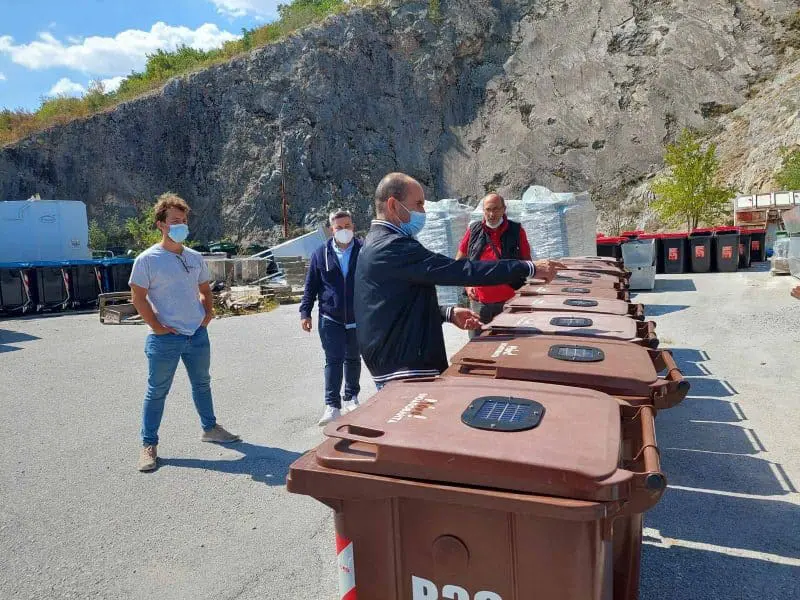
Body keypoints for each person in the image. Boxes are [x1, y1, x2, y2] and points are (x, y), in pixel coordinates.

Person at [354, 173, 565, 388]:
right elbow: (458, 269)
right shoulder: (391, 247)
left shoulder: (378, 243)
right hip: (404, 369)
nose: (423, 212)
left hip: (402, 361)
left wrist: (446, 313)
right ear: (393, 205)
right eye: (418, 204)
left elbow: (395, 303)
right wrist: (527, 267)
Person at [129, 193, 240, 472]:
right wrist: (156, 327)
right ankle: (148, 445)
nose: (181, 225)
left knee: (202, 384)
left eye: (184, 220)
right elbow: (138, 298)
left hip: (196, 336)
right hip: (165, 339)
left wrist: (207, 313)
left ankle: (210, 428)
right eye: (175, 221)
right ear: (161, 225)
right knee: (157, 392)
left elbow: (205, 290)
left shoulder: (193, 257)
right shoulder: (147, 260)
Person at [299, 209, 363, 425]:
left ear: (353, 226)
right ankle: (332, 406)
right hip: (330, 318)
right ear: (331, 230)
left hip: (358, 317)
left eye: (347, 226)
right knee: (333, 361)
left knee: (353, 359)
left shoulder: (364, 251)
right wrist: (305, 312)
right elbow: (311, 286)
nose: (343, 231)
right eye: (338, 227)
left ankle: (351, 398)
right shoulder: (320, 254)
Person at [455, 193, 532, 338]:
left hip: (510, 301)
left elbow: (527, 262)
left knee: (510, 344)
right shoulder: (473, 231)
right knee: (478, 345)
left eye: (496, 209)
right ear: (483, 211)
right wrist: (467, 285)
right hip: (479, 303)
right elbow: (459, 261)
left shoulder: (516, 231)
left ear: (504, 209)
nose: (491, 214)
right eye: (488, 210)